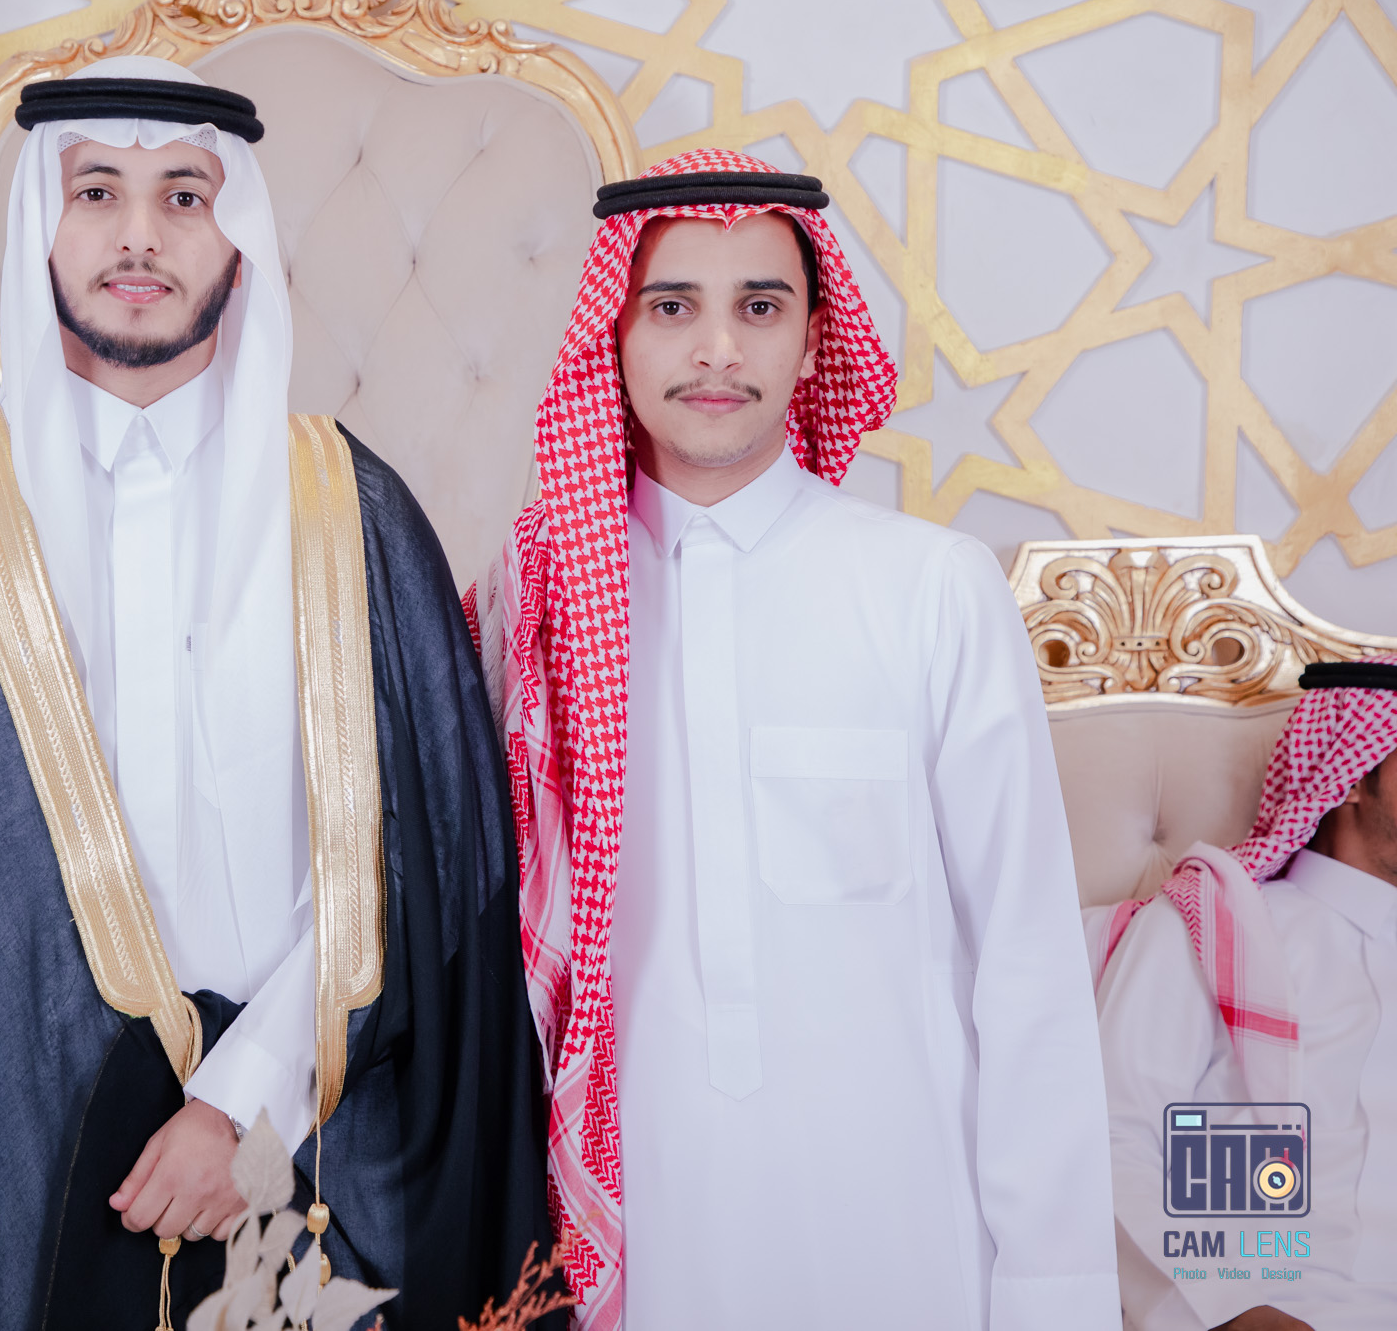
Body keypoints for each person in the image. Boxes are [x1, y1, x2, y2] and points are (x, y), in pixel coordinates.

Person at [0, 57, 551, 1331]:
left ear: (238, 237)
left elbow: (432, 854)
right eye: (96, 190)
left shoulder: (355, 514)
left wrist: (245, 1098)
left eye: (184, 196)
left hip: (320, 1166)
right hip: (16, 1168)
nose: (139, 236)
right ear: (38, 229)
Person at [468, 148, 1120, 1328]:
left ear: (814, 343)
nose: (718, 348)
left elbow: (1026, 969)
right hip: (629, 1233)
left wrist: (1051, 1296)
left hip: (899, 1234)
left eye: (759, 308)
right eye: (672, 308)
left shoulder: (930, 587)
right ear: (614, 337)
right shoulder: (535, 610)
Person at [1096, 657, 1397, 1331]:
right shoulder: (1211, 924)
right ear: (1352, 774)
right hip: (1271, 1304)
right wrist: (1231, 1310)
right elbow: (1110, 1135)